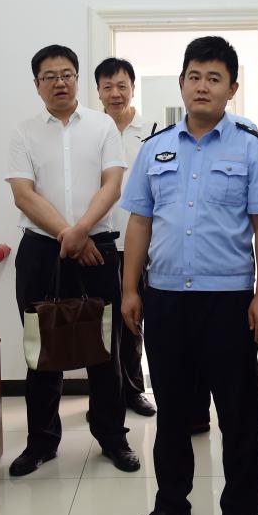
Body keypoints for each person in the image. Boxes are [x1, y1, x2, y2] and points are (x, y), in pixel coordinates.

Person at [121, 36, 258, 515]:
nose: (202, 86)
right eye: (194, 76)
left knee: (238, 414)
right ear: (182, 82)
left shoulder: (250, 148)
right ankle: (172, 502)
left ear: (232, 88)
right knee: (172, 409)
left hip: (228, 301)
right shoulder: (155, 149)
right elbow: (139, 223)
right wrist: (130, 289)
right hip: (166, 298)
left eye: (214, 78)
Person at [6, 44, 140, 477]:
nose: (60, 82)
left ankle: (112, 437)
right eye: (50, 76)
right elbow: (23, 194)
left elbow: (112, 184)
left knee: (105, 348)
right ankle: (41, 442)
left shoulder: (102, 127)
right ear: (37, 84)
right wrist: (71, 235)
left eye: (67, 74)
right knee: (40, 347)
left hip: (97, 250)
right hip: (42, 253)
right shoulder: (24, 132)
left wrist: (82, 231)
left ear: (77, 79)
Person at [94, 57, 158, 417]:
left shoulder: (152, 132)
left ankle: (134, 390)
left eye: (122, 86)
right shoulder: (91, 131)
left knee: (134, 320)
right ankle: (106, 396)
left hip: (140, 246)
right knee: (104, 324)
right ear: (98, 92)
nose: (115, 93)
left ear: (133, 88)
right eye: (108, 87)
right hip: (100, 242)